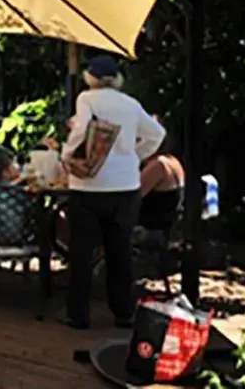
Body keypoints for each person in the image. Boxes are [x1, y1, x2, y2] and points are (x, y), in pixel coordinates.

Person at [60, 55, 165, 330]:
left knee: (82, 251)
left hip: (88, 187)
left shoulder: (87, 99)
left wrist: (67, 155)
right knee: (119, 251)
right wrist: (133, 156)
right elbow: (156, 134)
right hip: (125, 188)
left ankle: (78, 315)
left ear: (90, 77)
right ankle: (123, 312)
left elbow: (81, 129)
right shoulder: (130, 104)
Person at [138, 127, 185, 236]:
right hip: (166, 229)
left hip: (151, 232)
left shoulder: (158, 165)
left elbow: (130, 196)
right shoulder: (172, 160)